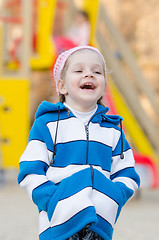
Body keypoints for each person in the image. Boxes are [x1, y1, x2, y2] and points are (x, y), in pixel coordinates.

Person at [17, 46, 140, 240]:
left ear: (104, 87)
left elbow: (127, 173)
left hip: (99, 225)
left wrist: (114, 197)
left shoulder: (113, 130)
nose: (89, 75)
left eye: (97, 72)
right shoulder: (47, 125)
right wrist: (51, 200)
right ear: (62, 86)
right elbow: (30, 170)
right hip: (57, 224)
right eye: (79, 70)